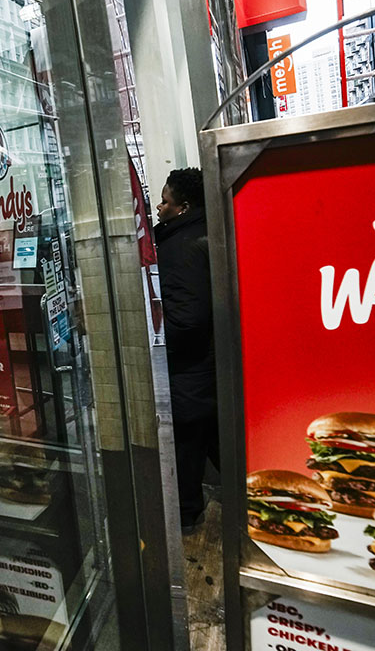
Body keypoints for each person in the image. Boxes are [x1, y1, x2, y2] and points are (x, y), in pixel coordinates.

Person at [154, 168, 219, 533]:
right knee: (206, 440)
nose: (159, 207)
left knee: (188, 447)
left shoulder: (180, 248)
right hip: (207, 365)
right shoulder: (205, 232)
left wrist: (158, 347)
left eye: (165, 201)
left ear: (183, 207)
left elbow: (187, 318)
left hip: (189, 368)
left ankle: (185, 521)